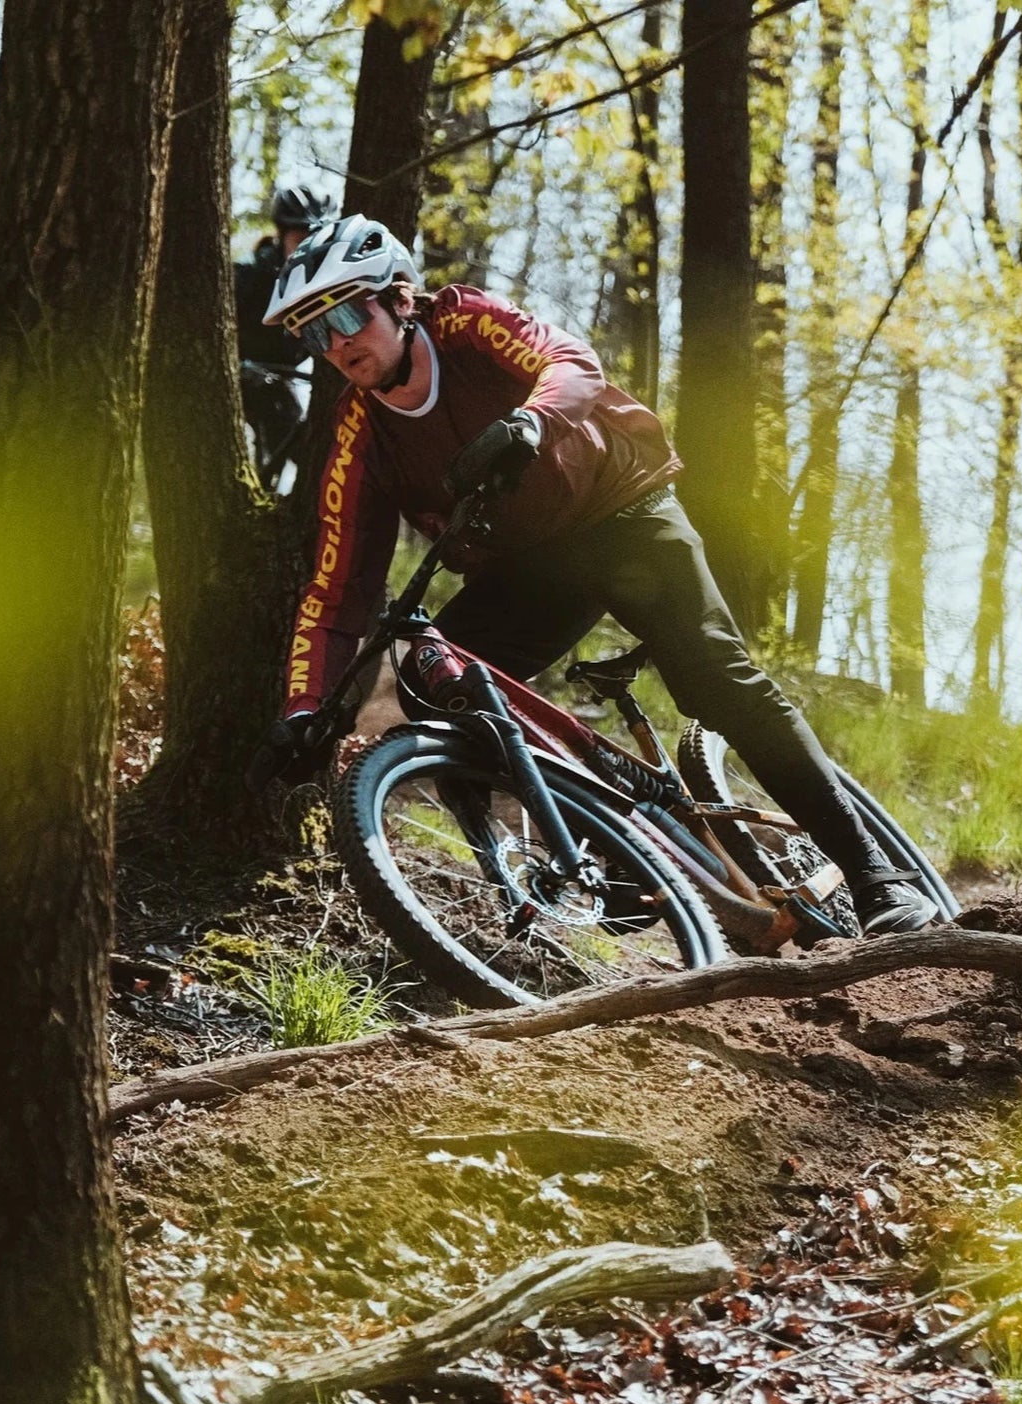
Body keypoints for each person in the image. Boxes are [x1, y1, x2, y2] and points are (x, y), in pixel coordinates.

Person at [255, 213, 936, 935]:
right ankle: (613, 849)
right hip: (533, 567)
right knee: (433, 678)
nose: (336, 344)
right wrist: (304, 709)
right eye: (312, 333)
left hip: (622, 512)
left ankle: (875, 876)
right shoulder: (360, 438)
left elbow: (570, 363)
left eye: (347, 314)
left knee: (715, 681)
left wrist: (532, 423)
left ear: (397, 297)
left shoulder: (466, 326)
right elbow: (336, 588)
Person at [232, 184, 336, 481]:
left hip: (278, 385)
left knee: (302, 449)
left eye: (314, 239)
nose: (307, 248)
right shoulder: (248, 276)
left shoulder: (323, 285)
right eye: (300, 238)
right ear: (282, 234)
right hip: (238, 381)